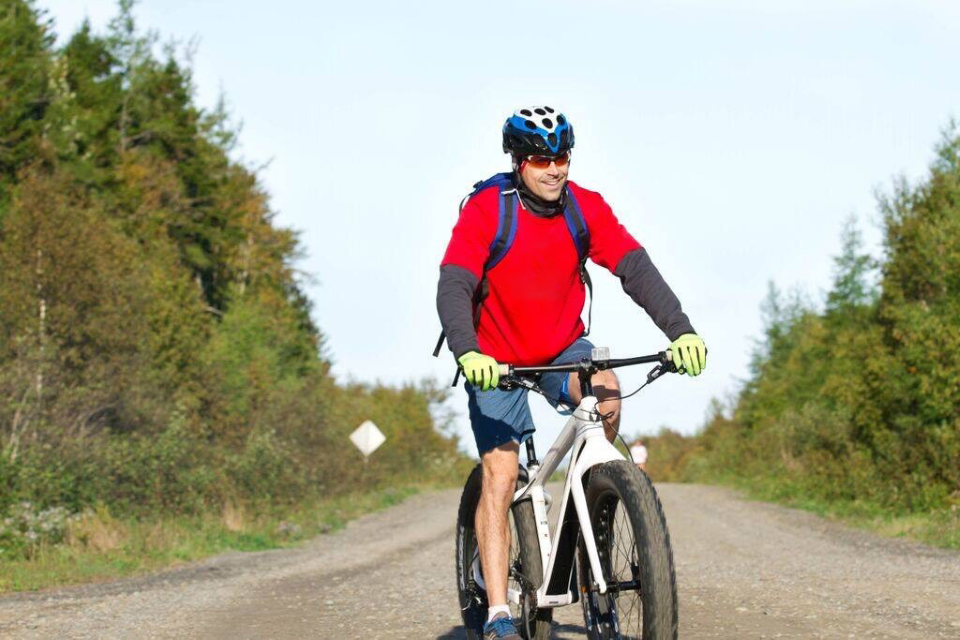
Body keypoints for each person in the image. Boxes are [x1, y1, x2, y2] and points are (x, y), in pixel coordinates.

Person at [436, 105, 706, 639]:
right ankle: (496, 612)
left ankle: (595, 505)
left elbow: (634, 266)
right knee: (502, 474)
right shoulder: (490, 210)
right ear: (517, 161)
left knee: (607, 393)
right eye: (541, 158)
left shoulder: (584, 207)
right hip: (496, 360)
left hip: (560, 348)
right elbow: (454, 285)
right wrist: (469, 352)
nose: (554, 168)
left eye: (561, 156)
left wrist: (682, 331)